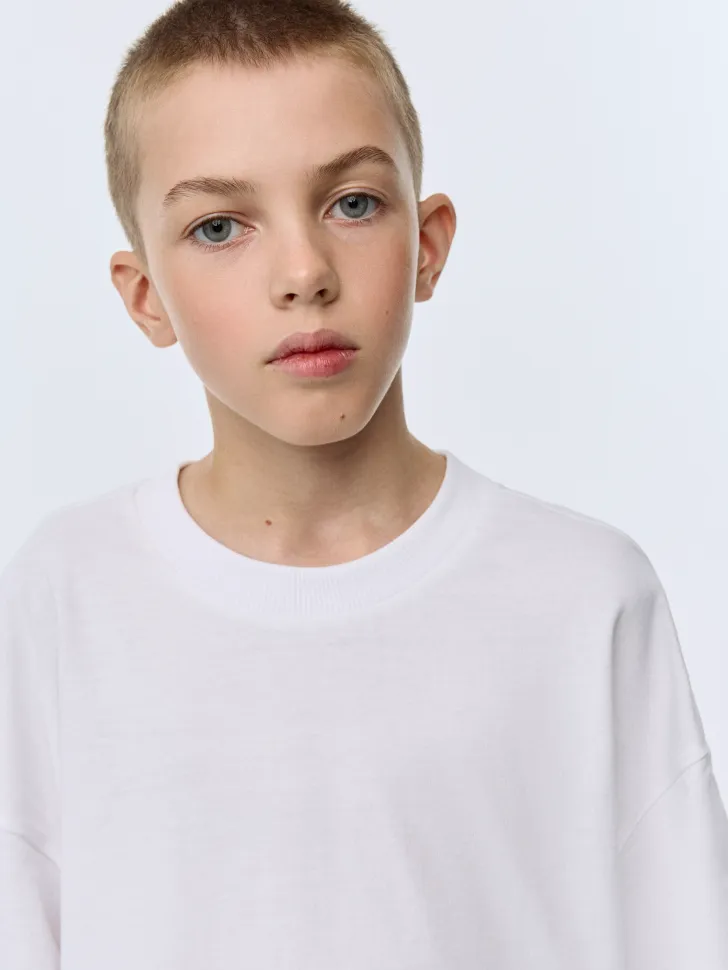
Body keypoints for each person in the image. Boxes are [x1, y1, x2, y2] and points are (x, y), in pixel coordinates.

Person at [1, 0, 726, 966]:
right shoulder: (67, 594)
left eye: (351, 204)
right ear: (145, 299)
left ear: (427, 243)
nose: (303, 273)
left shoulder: (586, 596)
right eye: (220, 226)